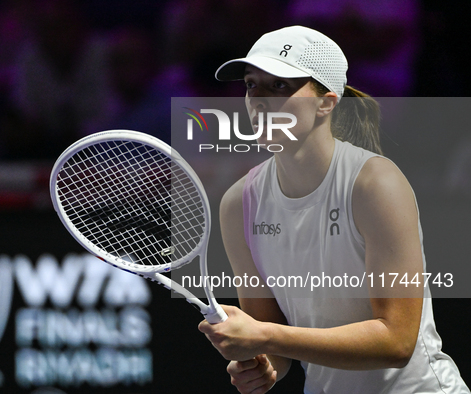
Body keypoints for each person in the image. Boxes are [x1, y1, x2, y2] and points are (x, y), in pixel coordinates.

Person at [197, 26, 469, 394]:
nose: (257, 100)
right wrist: (261, 364)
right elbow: (274, 343)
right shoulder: (239, 204)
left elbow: (397, 341)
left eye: (279, 86)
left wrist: (265, 336)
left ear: (326, 101)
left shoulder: (375, 183)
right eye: (250, 84)